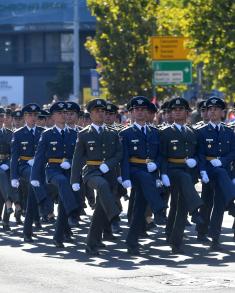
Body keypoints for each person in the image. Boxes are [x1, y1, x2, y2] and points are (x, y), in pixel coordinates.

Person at [71, 98, 122, 255]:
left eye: (103, 111)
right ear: (90, 114)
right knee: (102, 185)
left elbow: (119, 153)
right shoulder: (84, 134)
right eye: (97, 111)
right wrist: (74, 180)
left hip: (109, 173)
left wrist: (110, 164)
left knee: (100, 210)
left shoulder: (112, 133)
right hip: (92, 172)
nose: (100, 114)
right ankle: (114, 215)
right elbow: (77, 158)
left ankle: (92, 244)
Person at [120, 96, 165, 255]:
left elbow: (160, 155)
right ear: (131, 113)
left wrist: (157, 165)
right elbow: (123, 157)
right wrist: (124, 177)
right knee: (145, 180)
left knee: (139, 206)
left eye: (143, 110)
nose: (140, 112)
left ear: (147, 112)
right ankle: (159, 211)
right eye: (136, 110)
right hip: (134, 170)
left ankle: (131, 241)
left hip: (150, 170)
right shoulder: (125, 133)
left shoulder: (154, 132)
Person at [31, 101, 81, 248]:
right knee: (63, 182)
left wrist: (70, 162)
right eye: (60, 113)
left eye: (65, 113)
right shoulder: (46, 134)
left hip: (69, 170)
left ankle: (58, 237)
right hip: (52, 170)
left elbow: (80, 156)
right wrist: (34, 177)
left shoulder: (74, 133)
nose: (63, 115)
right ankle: (74, 211)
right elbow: (39, 157)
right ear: (52, 116)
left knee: (63, 204)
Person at [160, 97, 203, 254]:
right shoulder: (164, 133)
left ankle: (174, 240)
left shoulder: (192, 132)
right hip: (172, 170)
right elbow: (162, 155)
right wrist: (163, 173)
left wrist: (195, 161)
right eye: (174, 110)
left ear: (187, 112)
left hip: (187, 171)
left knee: (180, 206)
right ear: (171, 113)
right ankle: (196, 211)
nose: (177, 112)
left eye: (181, 109)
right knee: (178, 202)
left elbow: (199, 153)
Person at [197, 96, 235, 250]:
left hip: (223, 171)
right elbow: (199, 154)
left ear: (222, 112)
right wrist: (202, 171)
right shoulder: (201, 131)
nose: (212, 112)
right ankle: (202, 231)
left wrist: (223, 162)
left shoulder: (228, 131)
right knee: (207, 203)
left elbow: (233, 151)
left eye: (216, 109)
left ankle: (214, 237)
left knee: (219, 204)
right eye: (210, 109)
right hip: (208, 171)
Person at [10, 103, 49, 242]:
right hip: (24, 166)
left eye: (35, 115)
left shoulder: (42, 132)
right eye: (30, 115)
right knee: (34, 176)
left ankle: (29, 229)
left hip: (39, 167)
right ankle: (45, 206)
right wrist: (14, 176)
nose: (33, 118)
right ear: (25, 117)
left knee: (33, 195)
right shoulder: (18, 134)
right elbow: (14, 157)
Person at [0, 107, 21, 231]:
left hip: (6, 164)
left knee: (11, 176)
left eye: (3, 116)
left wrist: (8, 163)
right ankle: (14, 203)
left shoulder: (9, 133)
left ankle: (6, 218)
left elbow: (13, 153)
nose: (1, 119)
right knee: (3, 175)